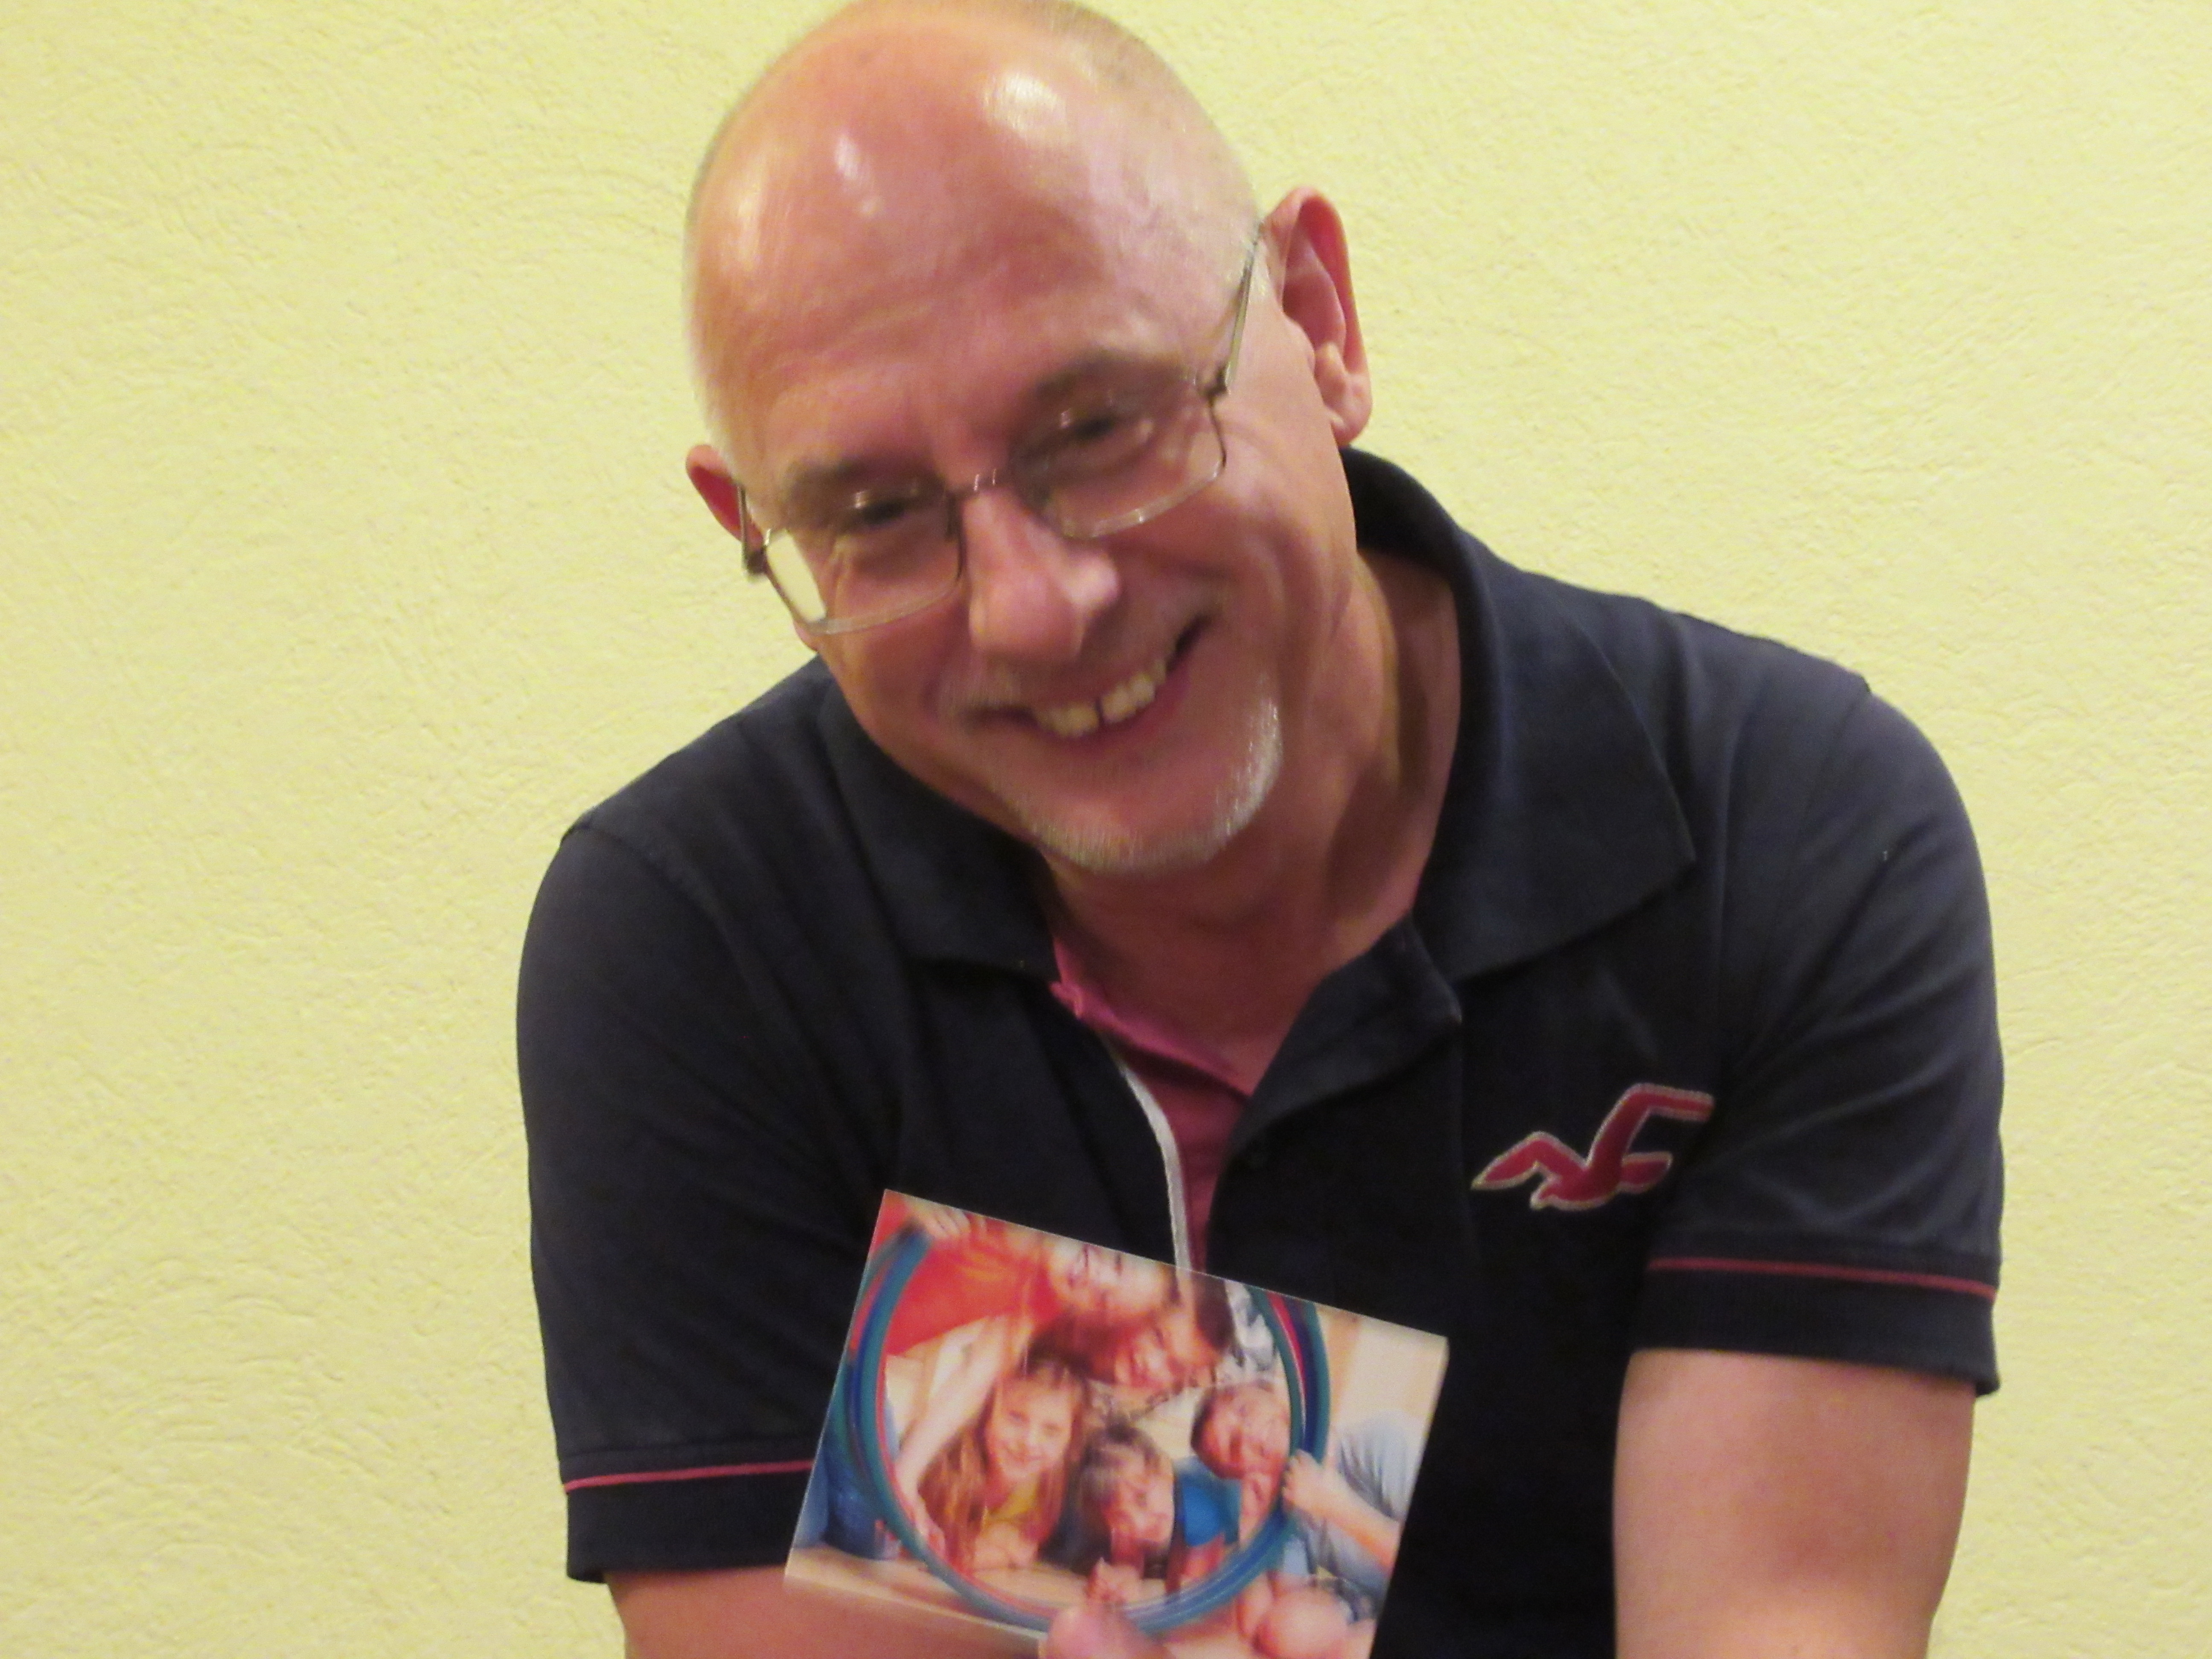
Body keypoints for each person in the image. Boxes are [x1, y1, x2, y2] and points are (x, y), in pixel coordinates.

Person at [516, 0, 2003, 1653]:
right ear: (752, 524)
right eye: (874, 515)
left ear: (1316, 318)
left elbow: (1774, 1615)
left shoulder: (1777, 832)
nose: (1032, 606)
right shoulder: (704, 937)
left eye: (1099, 426)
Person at [913, 1349, 1092, 1573]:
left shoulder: (1048, 1488)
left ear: (1071, 1440)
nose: (1030, 1443)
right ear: (986, 1414)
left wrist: (1004, 1549)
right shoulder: (942, 1468)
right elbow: (929, 1554)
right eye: (1016, 1418)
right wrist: (997, 1552)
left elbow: (1024, 1548)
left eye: (1052, 1430)